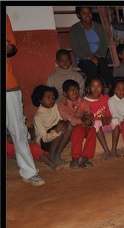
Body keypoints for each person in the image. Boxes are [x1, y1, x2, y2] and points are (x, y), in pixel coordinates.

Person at [6, 13, 45, 186]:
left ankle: (29, 172)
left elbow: (12, 46)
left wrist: (9, 48)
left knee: (19, 130)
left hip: (7, 84)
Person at [69, 6, 114, 91]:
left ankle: (112, 88)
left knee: (104, 67)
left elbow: (105, 43)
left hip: (99, 56)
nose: (87, 15)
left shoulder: (99, 27)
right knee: (92, 68)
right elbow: (76, 48)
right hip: (83, 58)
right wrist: (90, 57)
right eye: (84, 13)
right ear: (79, 15)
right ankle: (88, 90)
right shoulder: (74, 30)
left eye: (89, 12)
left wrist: (97, 56)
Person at [58, 79, 97, 169]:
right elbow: (71, 120)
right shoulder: (62, 105)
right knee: (78, 128)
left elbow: (89, 116)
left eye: (77, 91)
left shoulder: (83, 102)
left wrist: (89, 122)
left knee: (92, 130)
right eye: (72, 91)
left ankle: (86, 158)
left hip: (83, 127)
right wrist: (83, 119)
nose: (76, 93)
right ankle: (75, 158)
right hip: (70, 130)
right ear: (65, 94)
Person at [31, 85, 73, 166]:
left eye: (53, 97)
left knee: (70, 126)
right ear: (40, 99)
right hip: (45, 142)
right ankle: (51, 155)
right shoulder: (38, 116)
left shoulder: (56, 106)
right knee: (62, 128)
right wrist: (56, 131)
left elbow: (63, 119)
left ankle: (57, 154)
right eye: (48, 97)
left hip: (58, 134)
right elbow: (45, 138)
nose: (52, 100)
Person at [84, 75, 121, 160]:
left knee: (116, 120)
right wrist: (102, 119)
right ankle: (106, 150)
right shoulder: (85, 101)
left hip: (106, 124)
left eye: (99, 86)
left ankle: (113, 150)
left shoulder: (105, 97)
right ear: (88, 87)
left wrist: (108, 118)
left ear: (103, 87)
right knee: (96, 122)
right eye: (93, 86)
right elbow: (89, 119)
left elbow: (108, 113)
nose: (96, 89)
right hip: (97, 128)